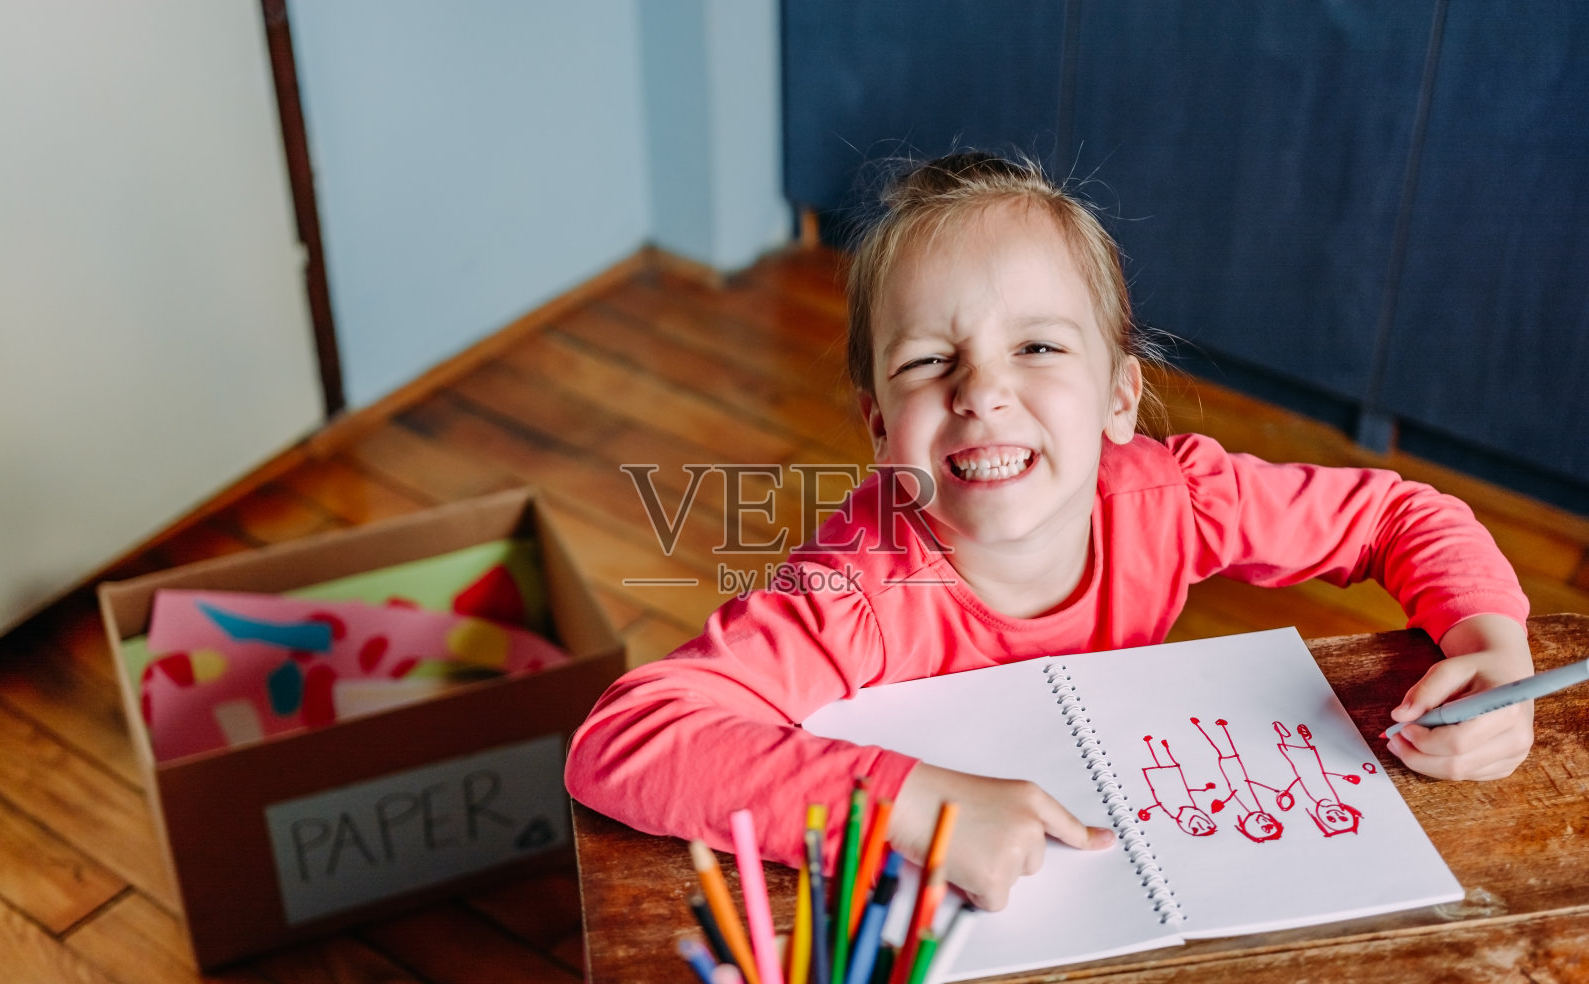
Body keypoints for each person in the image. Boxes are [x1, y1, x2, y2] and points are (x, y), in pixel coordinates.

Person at [564, 152, 1534, 911]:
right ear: (876, 427)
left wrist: (1488, 644)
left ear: (1119, 396)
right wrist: (906, 802)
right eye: (928, 360)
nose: (981, 391)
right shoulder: (853, 593)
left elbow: (1402, 515)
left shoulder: (1173, 497)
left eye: (1035, 346)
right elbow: (621, 739)